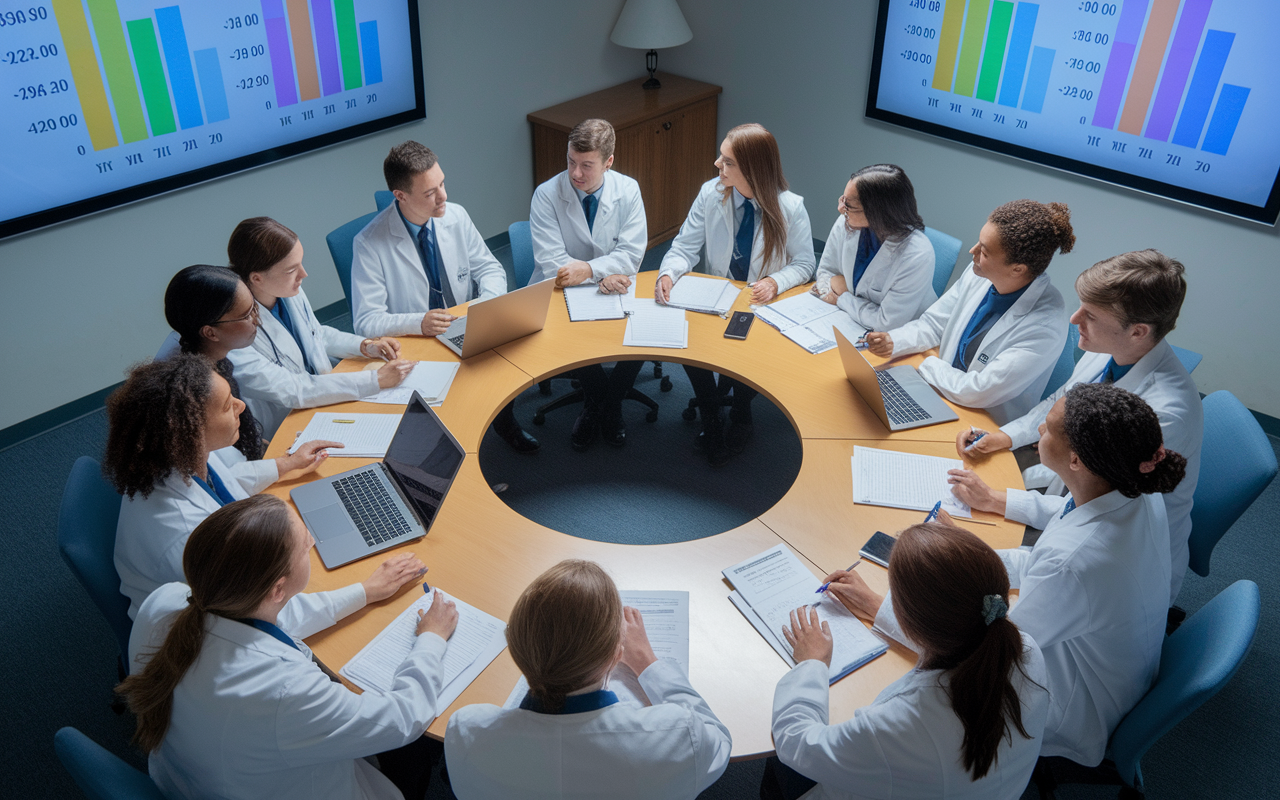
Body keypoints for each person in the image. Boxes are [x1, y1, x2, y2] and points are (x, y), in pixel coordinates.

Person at [843, 383, 1183, 767]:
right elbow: (1044, 553)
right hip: (1109, 662)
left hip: (1076, 707)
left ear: (1075, 461)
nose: (1039, 430)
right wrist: (971, 554)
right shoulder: (1132, 490)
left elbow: (995, 654)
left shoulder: (1074, 561)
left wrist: (880, 606)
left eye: (1049, 428)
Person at [118, 494, 459, 800]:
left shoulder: (166, 602)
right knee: (416, 750)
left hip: (193, 776)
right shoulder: (284, 690)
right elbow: (403, 718)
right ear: (278, 590)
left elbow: (273, 623)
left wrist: (366, 591)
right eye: (305, 545)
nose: (312, 539)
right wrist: (431, 639)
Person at [957, 250, 1202, 605]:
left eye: (1090, 315)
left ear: (1137, 331)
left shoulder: (1163, 415)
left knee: (956, 585)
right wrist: (1005, 436)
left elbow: (1097, 512)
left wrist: (997, 500)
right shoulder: (1109, 348)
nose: (1074, 320)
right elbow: (1058, 401)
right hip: (1073, 499)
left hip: (1106, 559)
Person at [766, 522, 1049, 800]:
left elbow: (795, 743)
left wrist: (811, 664)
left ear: (911, 620)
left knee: (776, 765)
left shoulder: (900, 724)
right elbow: (959, 635)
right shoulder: (1024, 647)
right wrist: (876, 605)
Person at [444, 559, 732, 798]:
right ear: (616, 655)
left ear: (517, 647)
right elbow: (717, 739)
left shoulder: (467, 731)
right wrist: (647, 662)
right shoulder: (677, 734)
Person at [104, 354, 337, 618]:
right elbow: (264, 613)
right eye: (227, 406)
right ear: (190, 429)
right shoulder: (186, 534)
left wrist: (287, 463)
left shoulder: (181, 456)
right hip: (206, 631)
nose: (241, 406)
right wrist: (366, 591)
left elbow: (230, 480)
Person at [352, 140, 538, 453]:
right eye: (430, 192)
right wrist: (419, 323)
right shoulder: (369, 243)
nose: (444, 197)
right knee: (438, 416)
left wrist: (484, 305)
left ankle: (505, 421)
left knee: (511, 350)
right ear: (401, 196)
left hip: (465, 323)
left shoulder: (455, 216)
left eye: (442, 183)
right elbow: (366, 322)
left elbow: (490, 269)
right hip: (416, 341)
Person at [656, 123, 816, 466]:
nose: (717, 164)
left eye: (727, 161)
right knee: (688, 341)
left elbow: (805, 264)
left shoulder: (790, 208)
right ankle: (711, 413)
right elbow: (684, 247)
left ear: (752, 169)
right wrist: (669, 272)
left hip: (758, 303)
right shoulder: (710, 194)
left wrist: (775, 282)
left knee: (747, 355)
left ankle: (742, 413)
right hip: (715, 294)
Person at [863, 199, 1071, 425]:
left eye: (985, 252)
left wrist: (925, 364)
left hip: (983, 422)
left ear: (1018, 269)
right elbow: (933, 325)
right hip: (938, 392)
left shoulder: (1045, 324)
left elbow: (979, 390)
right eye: (978, 243)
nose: (973, 251)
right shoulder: (978, 274)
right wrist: (894, 341)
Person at [225, 217, 413, 439]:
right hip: (287, 425)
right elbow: (293, 389)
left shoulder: (286, 291)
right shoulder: (233, 332)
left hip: (326, 400)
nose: (304, 275)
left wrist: (365, 345)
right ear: (257, 278)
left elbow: (316, 334)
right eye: (291, 269)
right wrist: (375, 380)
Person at [529, 118, 647, 450]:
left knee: (642, 331)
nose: (575, 173)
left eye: (586, 165)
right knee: (574, 335)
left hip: (615, 285)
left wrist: (592, 270)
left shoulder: (628, 190)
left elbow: (632, 254)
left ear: (608, 162)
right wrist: (598, 273)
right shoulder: (547, 194)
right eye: (570, 161)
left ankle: (600, 405)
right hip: (559, 291)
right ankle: (608, 407)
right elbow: (555, 263)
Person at [163, 264, 267, 468]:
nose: (257, 320)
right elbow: (228, 473)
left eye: (254, 307)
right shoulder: (198, 394)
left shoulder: (216, 360)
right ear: (210, 333)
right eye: (246, 315)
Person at [812, 164, 936, 331]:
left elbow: (886, 323)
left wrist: (843, 297)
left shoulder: (916, 255)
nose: (841, 209)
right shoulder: (847, 222)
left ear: (878, 212)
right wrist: (859, 305)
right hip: (847, 323)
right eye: (843, 200)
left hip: (899, 340)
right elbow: (826, 273)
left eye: (849, 206)